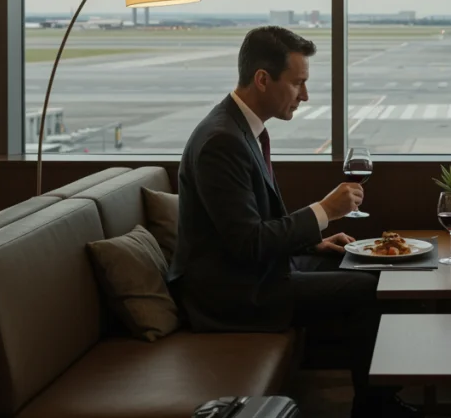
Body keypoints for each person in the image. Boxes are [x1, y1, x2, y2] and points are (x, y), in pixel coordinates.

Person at [169, 26, 420, 418]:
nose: (304, 95)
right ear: (263, 79)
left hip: (254, 271)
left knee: (369, 263)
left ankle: (378, 398)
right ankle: (374, 408)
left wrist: (311, 242)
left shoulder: (239, 129)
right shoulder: (222, 141)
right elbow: (247, 242)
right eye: (298, 83)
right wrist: (324, 211)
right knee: (368, 289)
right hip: (233, 295)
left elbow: (251, 228)